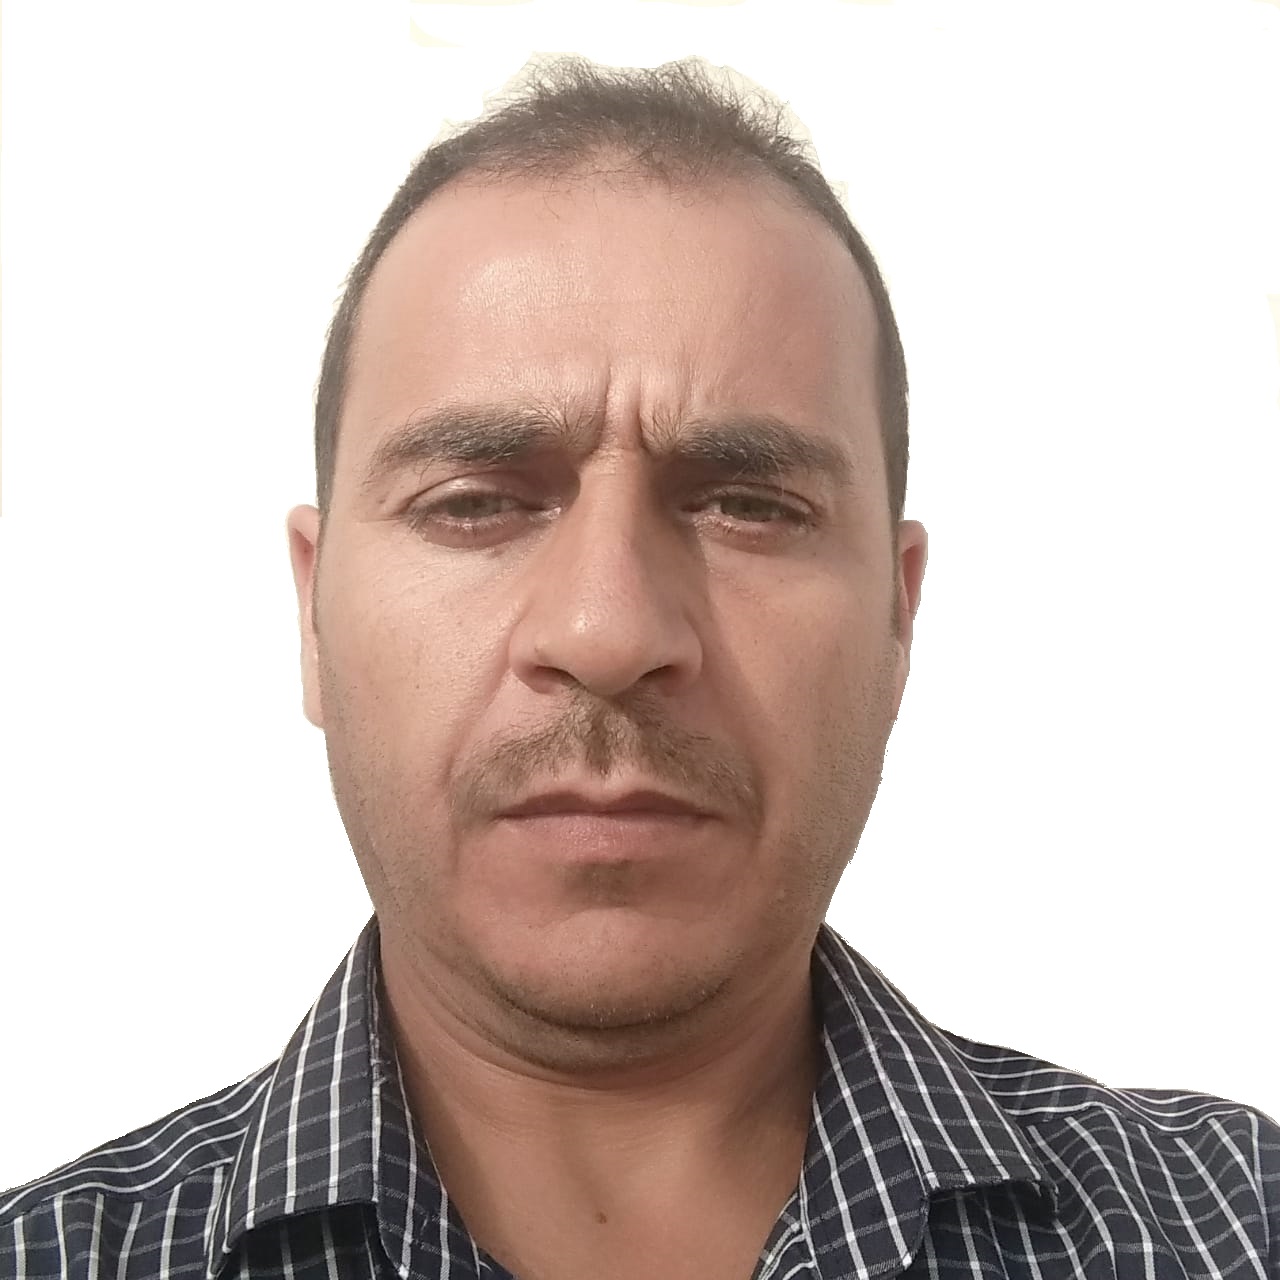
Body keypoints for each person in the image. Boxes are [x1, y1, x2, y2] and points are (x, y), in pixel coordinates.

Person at [2, 53, 1275, 1280]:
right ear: (313, 616)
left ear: (898, 620)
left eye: (748, 505)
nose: (605, 630)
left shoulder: (1234, 1226)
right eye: (473, 502)